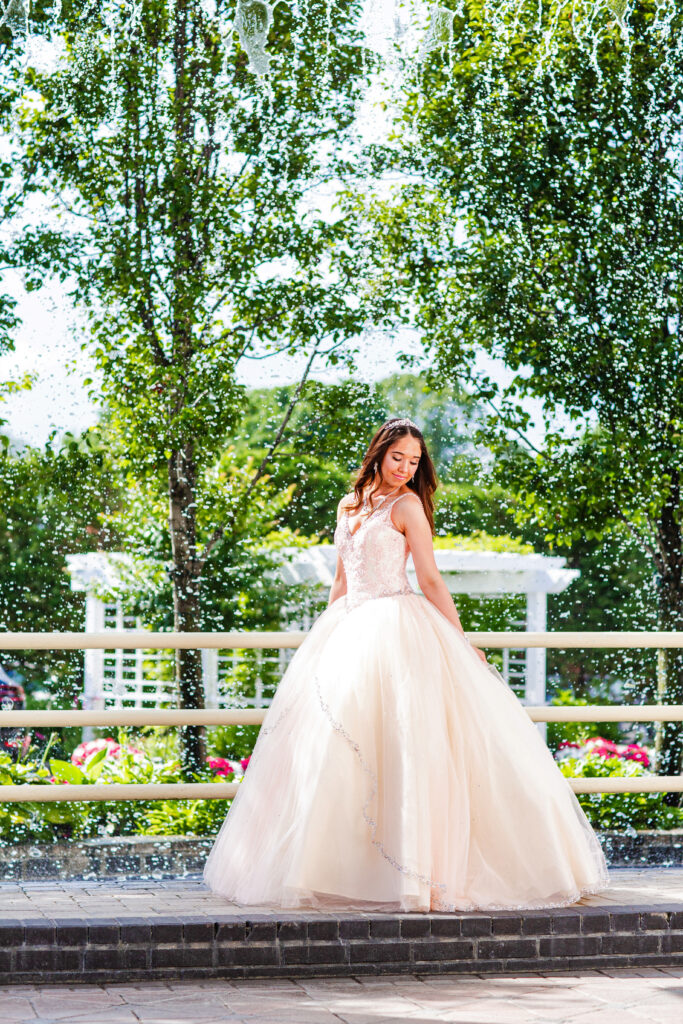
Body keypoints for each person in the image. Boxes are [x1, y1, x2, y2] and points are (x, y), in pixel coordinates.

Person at [203, 417, 610, 912]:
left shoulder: (408, 505)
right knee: (336, 752)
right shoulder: (348, 504)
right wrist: (324, 634)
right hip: (350, 628)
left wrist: (461, 642)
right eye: (398, 457)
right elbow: (340, 579)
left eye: (414, 461)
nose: (404, 468)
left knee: (409, 745)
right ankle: (338, 869)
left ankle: (417, 876)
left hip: (399, 626)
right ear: (378, 453)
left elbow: (431, 580)